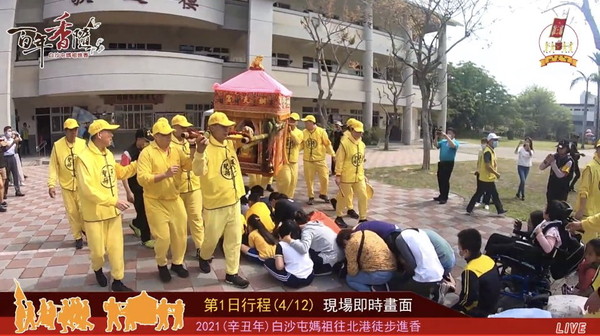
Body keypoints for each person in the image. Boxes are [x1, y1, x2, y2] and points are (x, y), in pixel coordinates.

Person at [75, 119, 137, 291]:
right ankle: (97, 269)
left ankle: (118, 281)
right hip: (94, 215)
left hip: (113, 213)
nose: (112, 135)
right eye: (109, 132)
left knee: (117, 249)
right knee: (98, 253)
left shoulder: (108, 155)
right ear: (99, 134)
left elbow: (120, 172)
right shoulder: (83, 159)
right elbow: (88, 190)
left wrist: (138, 164)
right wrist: (114, 201)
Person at [192, 112, 250, 289]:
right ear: (212, 128)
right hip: (215, 204)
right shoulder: (205, 147)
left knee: (234, 239)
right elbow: (197, 170)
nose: (228, 129)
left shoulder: (229, 143)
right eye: (223, 126)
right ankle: (204, 255)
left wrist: (247, 131)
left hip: (234, 201)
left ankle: (231, 274)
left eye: (228, 126)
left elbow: (246, 140)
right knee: (211, 238)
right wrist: (200, 153)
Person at [137, 119, 193, 283]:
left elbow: (188, 165)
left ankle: (177, 262)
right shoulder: (147, 153)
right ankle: (162, 264)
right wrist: (164, 175)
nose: (169, 137)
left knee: (181, 234)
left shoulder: (176, 150)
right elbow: (142, 178)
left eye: (170, 133)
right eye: (164, 135)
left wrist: (197, 150)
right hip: (155, 201)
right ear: (155, 136)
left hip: (174, 199)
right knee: (163, 237)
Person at [47, 118, 87, 249]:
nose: (73, 132)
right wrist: (51, 184)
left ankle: (85, 230)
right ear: (65, 131)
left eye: (75, 129)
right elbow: (53, 166)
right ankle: (77, 236)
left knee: (84, 210)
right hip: (66, 185)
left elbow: (89, 163)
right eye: (70, 130)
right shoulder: (58, 146)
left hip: (81, 184)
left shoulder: (82, 144)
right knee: (72, 212)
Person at [171, 115, 205, 260]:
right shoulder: (169, 144)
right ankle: (179, 250)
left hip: (195, 185)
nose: (185, 130)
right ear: (175, 128)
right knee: (179, 222)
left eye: (187, 127)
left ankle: (200, 248)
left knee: (197, 218)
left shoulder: (190, 141)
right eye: (182, 127)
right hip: (178, 188)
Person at [452, 228, 500, 317]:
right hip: (494, 304)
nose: (459, 251)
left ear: (466, 251)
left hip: (481, 311)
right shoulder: (488, 260)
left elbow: (467, 300)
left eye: (459, 248)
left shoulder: (470, 271)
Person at [121, 128, 154, 248]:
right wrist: (128, 192)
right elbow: (123, 174)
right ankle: (146, 239)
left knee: (146, 211)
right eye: (145, 141)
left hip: (147, 185)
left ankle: (135, 224)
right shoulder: (128, 153)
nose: (147, 143)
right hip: (135, 187)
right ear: (138, 139)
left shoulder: (148, 150)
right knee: (143, 212)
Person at [286, 210, 344, 275]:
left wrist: (289, 240)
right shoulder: (316, 224)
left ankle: (324, 270)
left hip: (331, 260)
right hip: (339, 255)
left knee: (302, 258)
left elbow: (303, 249)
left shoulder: (307, 231)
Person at [334, 120, 368, 228]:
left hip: (359, 176)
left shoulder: (362, 145)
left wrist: (364, 174)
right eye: (357, 131)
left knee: (363, 195)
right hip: (346, 176)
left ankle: (363, 218)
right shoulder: (344, 143)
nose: (359, 134)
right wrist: (338, 175)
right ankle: (338, 217)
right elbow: (339, 160)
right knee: (343, 197)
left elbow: (361, 161)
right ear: (351, 130)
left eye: (361, 132)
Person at [391, 228, 444, 297]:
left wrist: (404, 276)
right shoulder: (421, 233)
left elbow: (411, 265)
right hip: (439, 274)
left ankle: (428, 293)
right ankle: (434, 290)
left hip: (424, 277)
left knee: (397, 288)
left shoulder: (400, 239)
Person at [263, 219, 315, 288]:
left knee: (267, 262)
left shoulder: (281, 245)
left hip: (294, 279)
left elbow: (279, 267)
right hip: (310, 275)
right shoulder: (302, 241)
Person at [465, 133, 506, 216]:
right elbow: (487, 166)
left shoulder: (490, 150)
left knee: (481, 193)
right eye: (495, 140)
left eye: (497, 140)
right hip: (486, 178)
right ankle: (500, 210)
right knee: (493, 194)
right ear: (490, 141)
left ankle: (469, 209)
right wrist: (496, 173)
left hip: (486, 177)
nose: (496, 142)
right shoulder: (487, 151)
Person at [301, 115, 335, 205]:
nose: (305, 124)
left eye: (307, 122)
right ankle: (311, 196)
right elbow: (301, 144)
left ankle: (323, 193)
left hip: (320, 159)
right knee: (309, 179)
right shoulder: (304, 132)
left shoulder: (321, 132)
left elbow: (327, 144)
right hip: (308, 160)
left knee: (325, 178)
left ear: (312, 123)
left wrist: (333, 154)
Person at [276, 112, 303, 199]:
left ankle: (289, 197)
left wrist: (290, 132)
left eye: (293, 120)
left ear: (297, 122)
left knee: (293, 181)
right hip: (283, 159)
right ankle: (281, 195)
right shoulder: (282, 131)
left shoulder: (299, 132)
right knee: (285, 179)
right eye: (290, 119)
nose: (291, 122)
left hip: (293, 160)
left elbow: (297, 141)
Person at [574, 140, 600, 221]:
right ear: (597, 149)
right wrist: (581, 210)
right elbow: (584, 191)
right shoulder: (590, 167)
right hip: (588, 214)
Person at [433, 127, 459, 204]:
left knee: (445, 180)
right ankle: (441, 195)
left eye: (450, 133)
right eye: (448, 133)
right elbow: (436, 145)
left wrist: (446, 137)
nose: (448, 134)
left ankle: (445, 197)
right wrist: (436, 136)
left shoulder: (455, 142)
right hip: (441, 163)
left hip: (449, 163)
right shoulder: (443, 142)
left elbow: (453, 145)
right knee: (440, 179)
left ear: (454, 135)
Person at [3, 126, 24, 197]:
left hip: (12, 157)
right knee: (6, 176)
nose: (10, 132)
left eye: (10, 131)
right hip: (6, 158)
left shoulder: (13, 139)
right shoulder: (3, 140)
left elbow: (17, 145)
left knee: (15, 174)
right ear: (5, 132)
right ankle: (4, 192)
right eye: (8, 131)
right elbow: (5, 149)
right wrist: (13, 142)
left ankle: (17, 190)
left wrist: (18, 139)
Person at [474, 137, 491, 210]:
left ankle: (486, 202)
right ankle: (478, 201)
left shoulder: (489, 151)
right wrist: (477, 170)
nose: (482, 144)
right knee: (479, 188)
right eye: (482, 143)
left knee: (488, 189)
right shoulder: (480, 151)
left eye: (484, 143)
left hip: (487, 173)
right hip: (480, 172)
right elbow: (479, 161)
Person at [0, 137, 7, 211]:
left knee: (2, 185)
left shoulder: (2, 143)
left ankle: (1, 201)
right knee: (0, 184)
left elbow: (7, 145)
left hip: (2, 165)